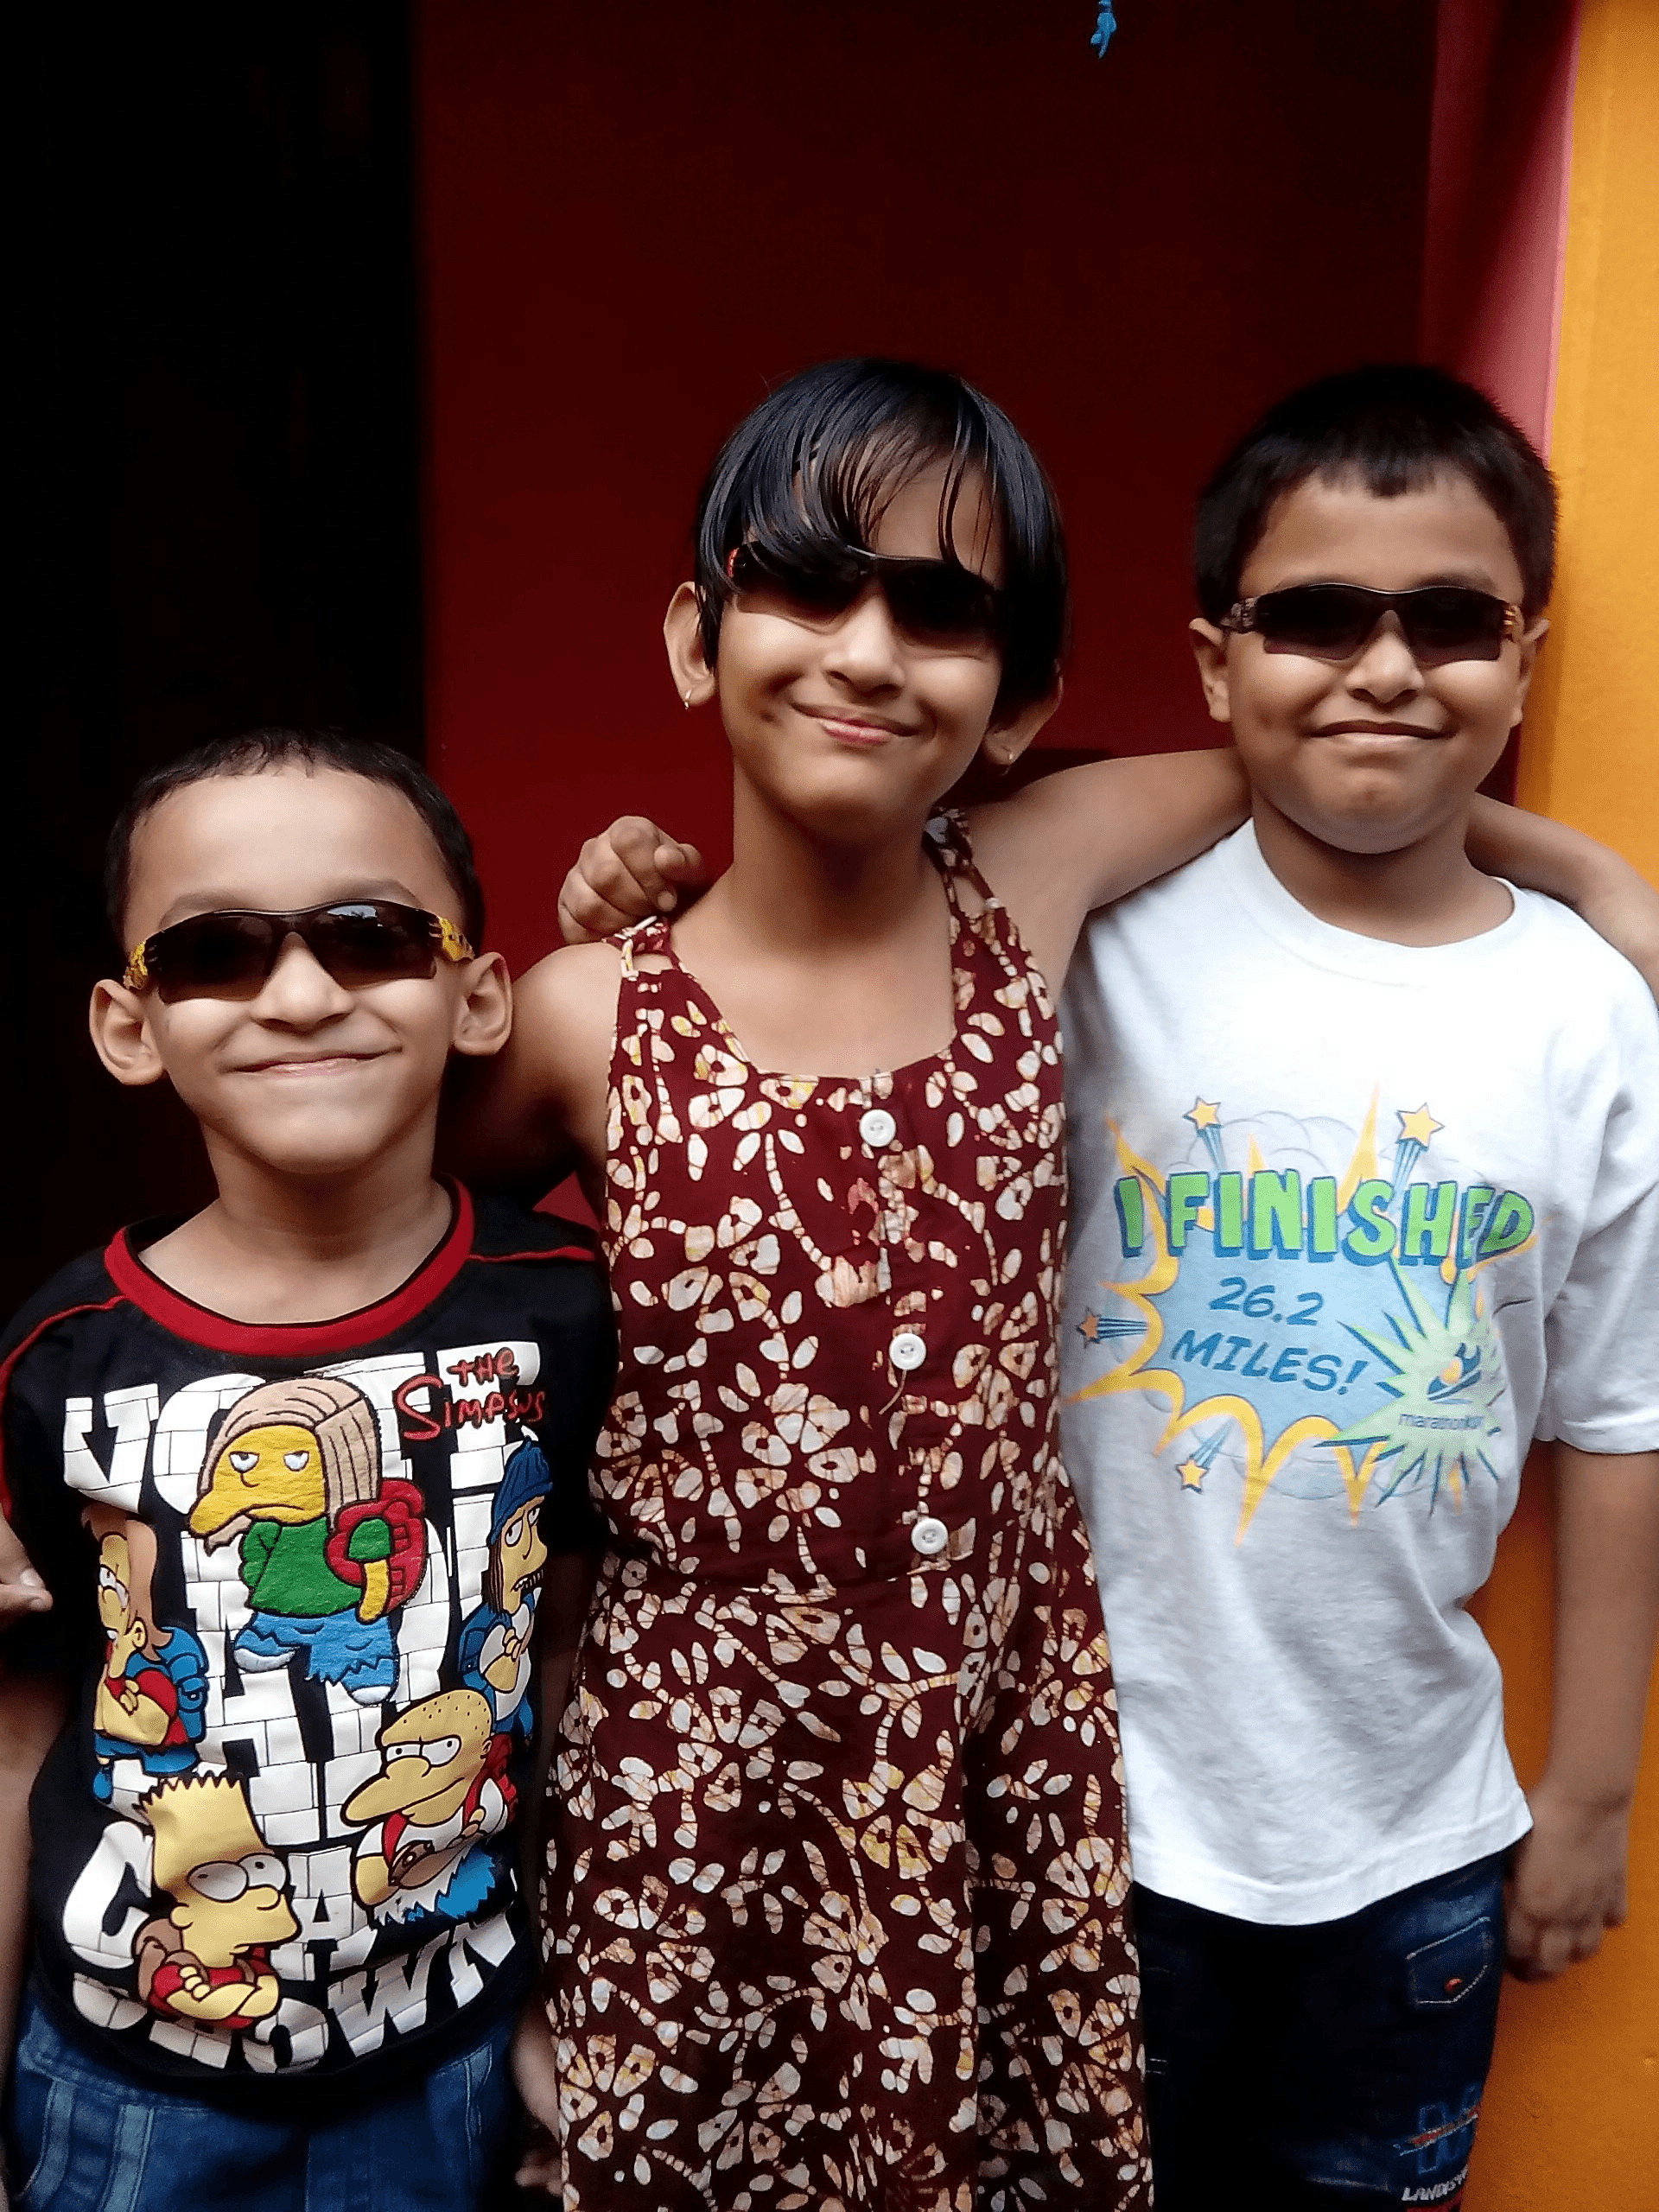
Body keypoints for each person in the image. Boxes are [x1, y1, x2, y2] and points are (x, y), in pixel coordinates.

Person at [556, 363, 1659, 2209]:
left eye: (1449, 623)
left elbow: (1616, 1413)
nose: (1379, 668)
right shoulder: (1015, 917)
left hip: (1353, 1829)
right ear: (1219, 650)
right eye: (1311, 617)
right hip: (991, 1808)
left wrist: (1581, 876)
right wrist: (623, 900)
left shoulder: (1553, 1007)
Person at [461, 355, 1294, 2209]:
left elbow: (1323, 757)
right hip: (693, 1763)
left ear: (1022, 696)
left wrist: (1584, 870)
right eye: (808, 582)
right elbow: (406, 1249)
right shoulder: (585, 1012)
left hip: (982, 1735)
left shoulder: (1035, 877)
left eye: (942, 608)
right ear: (698, 634)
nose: (866, 646)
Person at [0, 728, 613, 2212]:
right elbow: (23, 1741)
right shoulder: (60, 1359)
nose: (302, 992)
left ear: (478, 994)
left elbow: (586, 1670)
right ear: (130, 1023)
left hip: (451, 2062)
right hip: (124, 2091)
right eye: (216, 951)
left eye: (372, 935)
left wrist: (563, 1999)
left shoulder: (569, 1313)